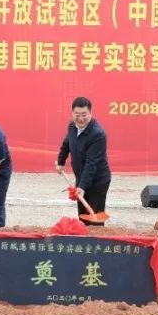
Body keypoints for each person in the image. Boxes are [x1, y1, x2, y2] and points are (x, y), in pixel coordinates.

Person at [56, 96, 112, 226]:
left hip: (98, 180)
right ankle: (83, 235)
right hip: (82, 177)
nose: (80, 119)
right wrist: (61, 162)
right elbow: (66, 144)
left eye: (84, 115)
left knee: (94, 217)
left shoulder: (98, 135)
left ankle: (96, 237)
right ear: (72, 113)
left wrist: (82, 186)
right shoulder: (72, 126)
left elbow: (91, 163)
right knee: (82, 216)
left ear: (91, 113)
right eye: (77, 115)